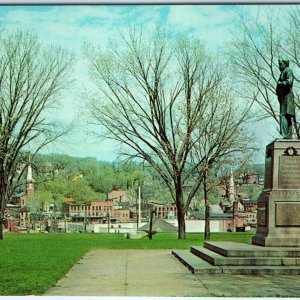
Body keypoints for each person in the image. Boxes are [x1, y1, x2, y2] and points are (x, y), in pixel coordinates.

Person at [276, 58, 296, 139]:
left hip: (287, 96)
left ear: (285, 64)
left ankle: (286, 135)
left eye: (281, 64)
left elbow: (289, 82)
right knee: (285, 115)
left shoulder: (288, 70)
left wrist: (280, 83)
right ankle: (287, 135)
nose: (279, 66)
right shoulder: (283, 72)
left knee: (285, 115)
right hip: (284, 97)